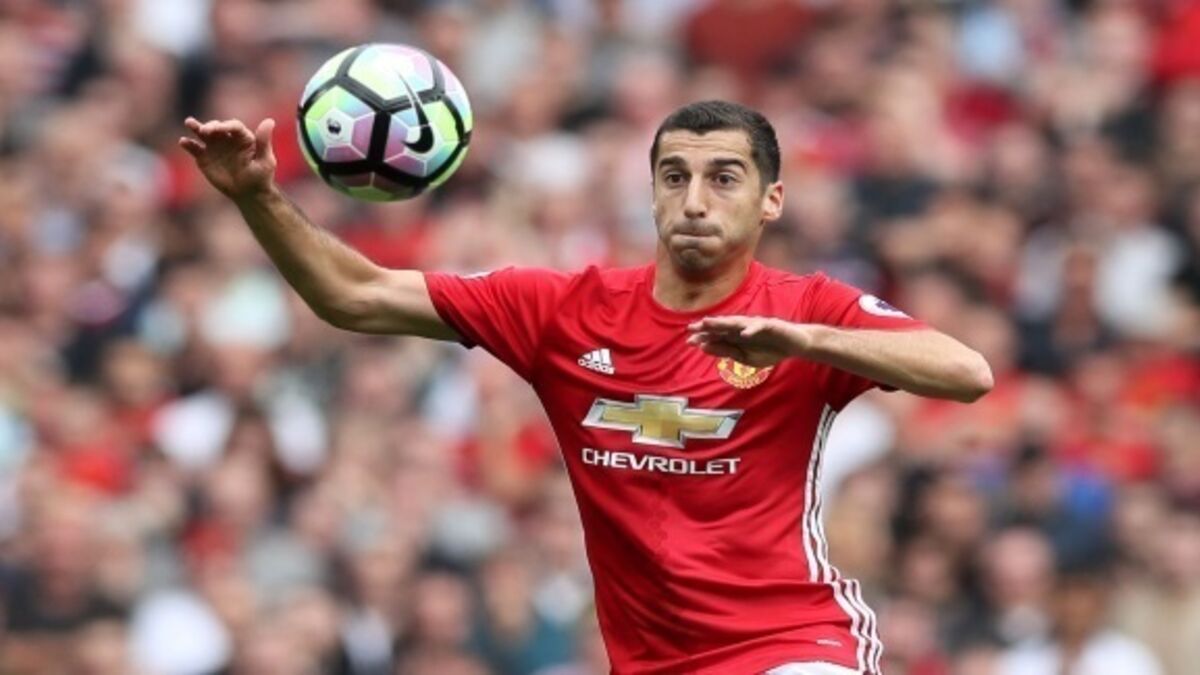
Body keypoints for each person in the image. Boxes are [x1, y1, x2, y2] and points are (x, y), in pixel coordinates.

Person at [179, 100, 992, 675]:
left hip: (792, 643)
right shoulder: (565, 309)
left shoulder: (808, 308)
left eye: (723, 178)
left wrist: (805, 342)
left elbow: (967, 372)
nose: (694, 200)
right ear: (651, 193)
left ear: (771, 199)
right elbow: (353, 295)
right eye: (673, 176)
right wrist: (258, 196)